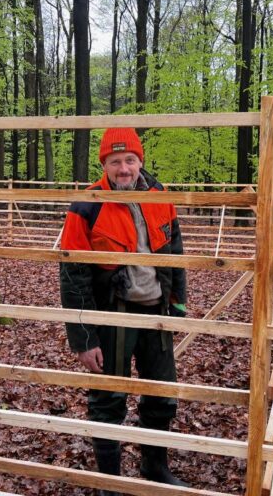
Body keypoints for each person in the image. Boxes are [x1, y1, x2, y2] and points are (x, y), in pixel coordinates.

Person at [59, 127, 188, 493]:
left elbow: (175, 252)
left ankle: (154, 466)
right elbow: (73, 274)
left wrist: (178, 302)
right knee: (108, 398)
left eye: (129, 160)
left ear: (140, 161)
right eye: (115, 162)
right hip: (113, 313)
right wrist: (83, 338)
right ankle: (109, 481)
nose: (124, 168)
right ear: (105, 165)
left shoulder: (160, 196)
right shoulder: (87, 204)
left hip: (156, 310)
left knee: (162, 393)